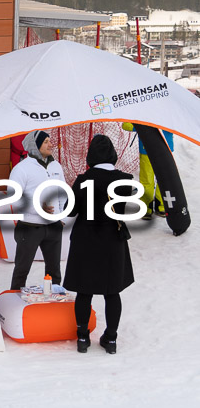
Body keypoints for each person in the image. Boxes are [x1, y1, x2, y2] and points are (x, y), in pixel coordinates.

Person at [63, 135, 134, 355]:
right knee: (112, 292)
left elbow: (70, 211)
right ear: (112, 153)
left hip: (86, 240)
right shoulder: (126, 180)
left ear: (91, 155)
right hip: (113, 240)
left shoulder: (83, 180)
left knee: (84, 292)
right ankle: (111, 339)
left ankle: (83, 337)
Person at [8, 130, 67, 290]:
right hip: (29, 227)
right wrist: (38, 208)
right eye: (46, 141)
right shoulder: (21, 169)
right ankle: (15, 305)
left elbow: (62, 191)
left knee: (55, 271)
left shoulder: (56, 166)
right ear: (35, 145)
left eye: (50, 140)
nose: (51, 144)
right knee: (22, 270)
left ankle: (54, 303)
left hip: (54, 226)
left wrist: (62, 216)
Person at [122, 122, 174, 219]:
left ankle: (162, 205)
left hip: (166, 148)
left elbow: (177, 124)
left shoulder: (170, 111)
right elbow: (126, 125)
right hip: (147, 149)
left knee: (164, 179)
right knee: (146, 180)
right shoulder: (143, 110)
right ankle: (146, 207)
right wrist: (140, 126)